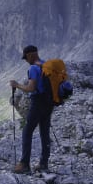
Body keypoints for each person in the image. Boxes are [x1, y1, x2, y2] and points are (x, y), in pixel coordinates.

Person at [9, 45, 54, 174]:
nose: (26, 60)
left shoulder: (34, 68)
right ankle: (44, 163)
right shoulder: (45, 64)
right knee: (44, 132)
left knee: (27, 131)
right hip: (49, 102)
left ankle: (24, 164)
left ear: (30, 55)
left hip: (38, 102)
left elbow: (31, 88)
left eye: (26, 58)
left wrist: (16, 85)